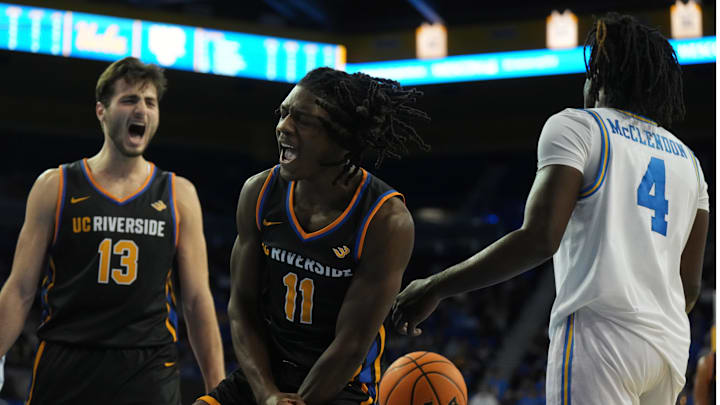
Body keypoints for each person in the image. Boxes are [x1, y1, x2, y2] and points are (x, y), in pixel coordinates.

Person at [392, 12, 709, 405]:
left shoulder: (579, 126)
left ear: (601, 77)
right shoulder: (690, 162)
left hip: (601, 337)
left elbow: (540, 238)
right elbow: (689, 287)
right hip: (669, 348)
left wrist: (436, 286)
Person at [194, 67, 430, 405]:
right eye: (283, 113)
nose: (282, 126)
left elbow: (351, 345)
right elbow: (242, 307)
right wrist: (267, 395)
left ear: (342, 137)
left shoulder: (386, 221)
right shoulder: (259, 192)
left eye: (302, 120)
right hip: (263, 380)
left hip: (338, 388)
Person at [0, 57, 225, 404]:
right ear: (101, 111)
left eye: (150, 102)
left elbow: (196, 301)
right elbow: (19, 290)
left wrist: (218, 390)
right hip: (67, 362)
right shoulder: (55, 185)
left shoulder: (179, 193)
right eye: (129, 100)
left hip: (148, 369)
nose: (142, 110)